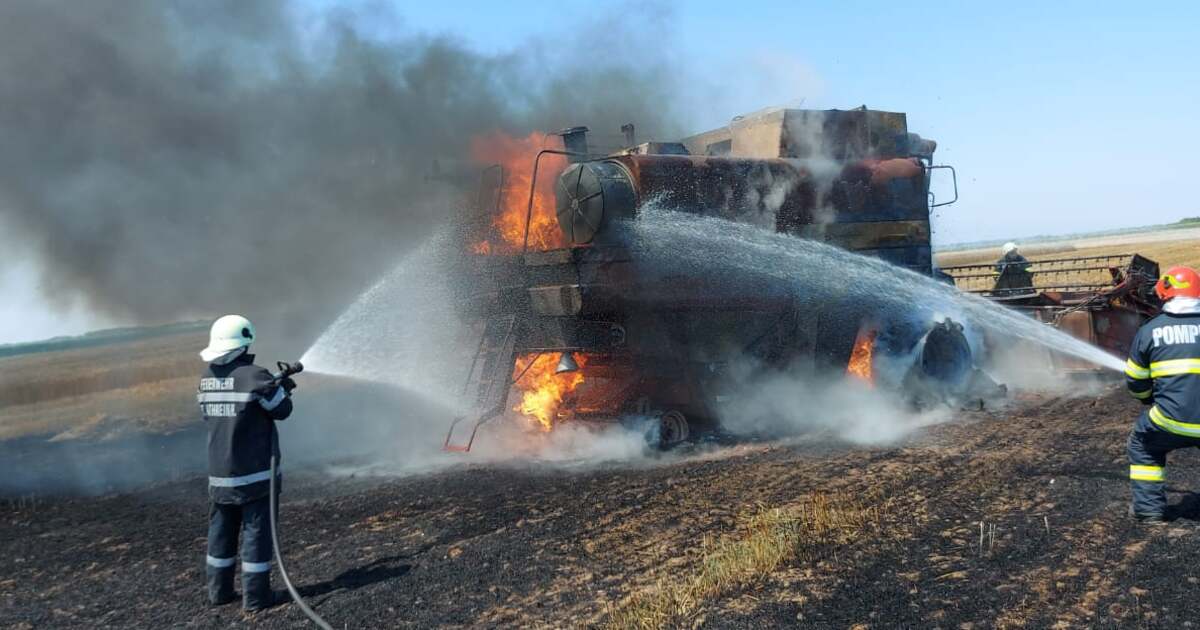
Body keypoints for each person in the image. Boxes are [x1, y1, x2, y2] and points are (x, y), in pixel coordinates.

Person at [197, 315, 295, 609]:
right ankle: (256, 598)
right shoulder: (255, 375)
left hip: (220, 475)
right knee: (256, 533)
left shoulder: (206, 378)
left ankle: (219, 592)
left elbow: (211, 415)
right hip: (254, 476)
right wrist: (283, 388)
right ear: (244, 342)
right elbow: (282, 409)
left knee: (221, 533)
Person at [1125, 266, 1200, 523]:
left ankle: (1149, 510)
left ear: (1165, 294)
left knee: (1142, 445)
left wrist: (1147, 399)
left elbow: (1135, 379)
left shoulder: (1150, 330)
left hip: (1169, 420)